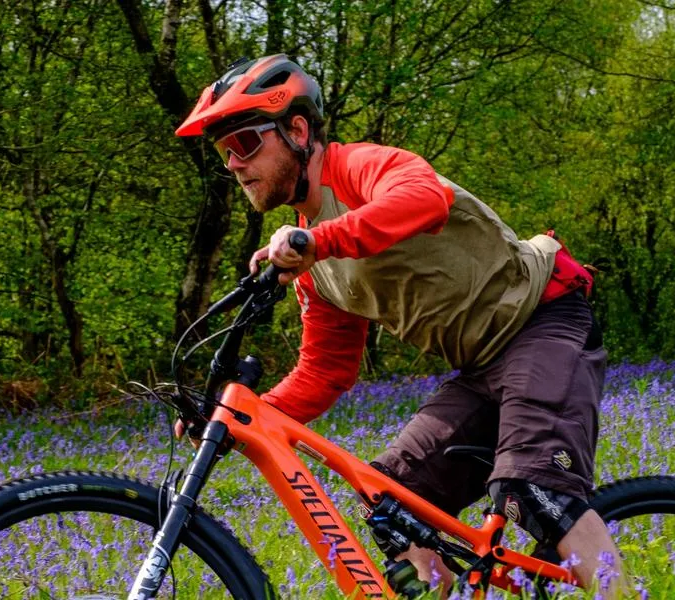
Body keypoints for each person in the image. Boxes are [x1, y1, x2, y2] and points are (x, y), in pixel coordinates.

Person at [174, 54, 628, 596]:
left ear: (296, 131)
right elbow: (325, 372)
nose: (233, 165)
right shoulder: (313, 270)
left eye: (245, 145)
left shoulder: (358, 167)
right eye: (224, 154)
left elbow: (423, 198)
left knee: (534, 489)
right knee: (394, 498)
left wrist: (317, 241)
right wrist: (237, 419)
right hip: (481, 366)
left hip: (543, 320)